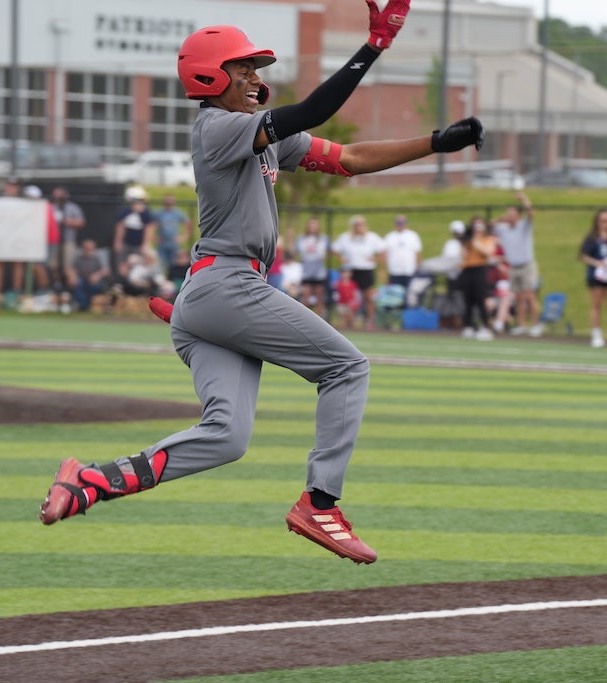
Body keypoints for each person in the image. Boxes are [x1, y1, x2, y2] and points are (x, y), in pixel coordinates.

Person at [39, 3, 484, 565]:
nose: (256, 77)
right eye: (244, 68)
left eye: (255, 68)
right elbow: (314, 111)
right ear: (209, 77)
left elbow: (348, 157)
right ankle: (320, 503)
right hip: (226, 285)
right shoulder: (218, 127)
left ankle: (90, 482)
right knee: (347, 367)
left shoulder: (255, 136)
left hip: (207, 296)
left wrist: (436, 143)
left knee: (227, 437)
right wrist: (374, 47)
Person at [492, 190, 542, 336]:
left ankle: (536, 324)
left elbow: (531, 214)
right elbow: (491, 224)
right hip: (513, 267)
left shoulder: (524, 226)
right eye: (509, 215)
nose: (511, 217)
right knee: (518, 297)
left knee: (529, 295)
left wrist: (524, 200)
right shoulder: (504, 229)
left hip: (526, 265)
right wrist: (503, 219)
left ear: (519, 216)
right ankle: (521, 324)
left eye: (513, 215)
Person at [332, 214, 386, 331]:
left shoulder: (372, 237)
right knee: (349, 297)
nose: (359, 227)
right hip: (351, 271)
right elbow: (334, 250)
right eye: (357, 225)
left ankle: (370, 321)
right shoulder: (345, 238)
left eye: (362, 225)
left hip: (366, 270)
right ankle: (351, 321)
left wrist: (377, 261)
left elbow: (383, 251)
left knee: (368, 297)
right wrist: (342, 260)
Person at [579, 209, 607, 348]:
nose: (605, 224)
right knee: (596, 304)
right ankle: (596, 334)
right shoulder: (591, 238)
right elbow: (583, 256)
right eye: (603, 221)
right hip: (596, 274)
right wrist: (597, 263)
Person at [113, 186, 158, 291]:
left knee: (139, 265)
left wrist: (145, 244)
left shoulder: (146, 213)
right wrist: (118, 242)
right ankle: (122, 288)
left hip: (139, 245)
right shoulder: (125, 211)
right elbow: (120, 227)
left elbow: (149, 229)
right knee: (122, 266)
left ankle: (140, 288)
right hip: (127, 244)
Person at [458, 217, 496, 340]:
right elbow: (463, 256)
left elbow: (488, 252)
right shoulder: (468, 241)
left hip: (480, 270)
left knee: (481, 299)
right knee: (468, 300)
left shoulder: (488, 239)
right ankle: (468, 326)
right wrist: (465, 241)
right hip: (468, 270)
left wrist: (476, 241)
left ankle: (486, 327)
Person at [0, 177, 25, 306]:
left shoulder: (22, 203)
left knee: (18, 262)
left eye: (14, 186)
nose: (12, 188)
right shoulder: (0, 202)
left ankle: (16, 290)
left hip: (16, 237)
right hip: (1, 236)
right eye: (10, 186)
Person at [51, 186, 86, 313]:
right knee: (54, 267)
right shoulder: (51, 207)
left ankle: (75, 297)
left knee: (67, 268)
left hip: (68, 242)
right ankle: (58, 290)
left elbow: (81, 222)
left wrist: (65, 221)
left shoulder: (72, 207)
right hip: (54, 242)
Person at [295, 216, 330, 318]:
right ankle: (304, 319)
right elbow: (295, 252)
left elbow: (329, 252)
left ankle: (321, 319)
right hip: (306, 271)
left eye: (315, 225)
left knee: (320, 297)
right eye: (311, 225)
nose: (313, 227)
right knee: (305, 296)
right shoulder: (301, 238)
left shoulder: (323, 239)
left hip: (319, 271)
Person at [154, 194, 192, 276]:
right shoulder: (159, 213)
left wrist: (185, 236)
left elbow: (187, 223)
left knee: (173, 264)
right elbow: (152, 225)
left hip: (173, 242)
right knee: (160, 263)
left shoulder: (177, 212)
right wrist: (154, 237)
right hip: (162, 242)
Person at [383, 214, 422, 293]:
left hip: (409, 271)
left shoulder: (413, 236)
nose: (400, 225)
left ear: (406, 224)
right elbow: (384, 254)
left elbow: (418, 253)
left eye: (402, 223)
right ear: (395, 224)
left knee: (409, 294)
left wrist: (418, 268)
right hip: (394, 271)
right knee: (395, 295)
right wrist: (384, 269)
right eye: (398, 223)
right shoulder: (389, 237)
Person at [71, 238, 111, 313]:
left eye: (90, 248)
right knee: (78, 285)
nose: (88, 250)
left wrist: (97, 275)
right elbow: (72, 269)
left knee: (94, 286)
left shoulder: (98, 257)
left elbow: (106, 270)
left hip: (94, 278)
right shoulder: (78, 257)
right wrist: (73, 276)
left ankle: (88, 305)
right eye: (86, 248)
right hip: (81, 278)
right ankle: (83, 306)